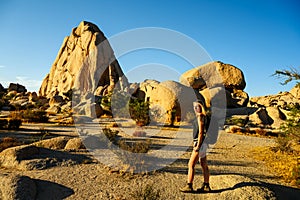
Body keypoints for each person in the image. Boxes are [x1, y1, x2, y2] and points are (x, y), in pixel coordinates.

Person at [180, 100, 211, 193]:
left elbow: (201, 132)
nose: (195, 109)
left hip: (200, 144)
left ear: (201, 107)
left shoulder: (200, 117)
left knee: (191, 164)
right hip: (204, 143)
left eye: (197, 107)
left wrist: (198, 145)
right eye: (194, 107)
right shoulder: (205, 117)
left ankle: (189, 185)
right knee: (203, 165)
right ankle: (206, 186)